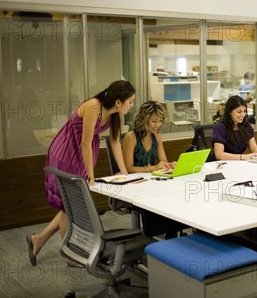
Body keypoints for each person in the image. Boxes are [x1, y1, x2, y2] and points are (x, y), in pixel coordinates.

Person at [27, 80, 136, 267]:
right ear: (118, 101)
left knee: (68, 205)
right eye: (131, 101)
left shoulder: (115, 114)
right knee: (70, 204)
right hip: (67, 152)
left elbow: (115, 142)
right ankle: (72, 255)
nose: (132, 105)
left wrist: (125, 173)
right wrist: (91, 174)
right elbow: (85, 142)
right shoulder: (94, 106)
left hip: (81, 155)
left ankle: (39, 239)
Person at [122, 100, 185, 238]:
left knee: (174, 197)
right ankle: (153, 235)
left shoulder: (157, 137)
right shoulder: (130, 137)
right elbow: (129, 168)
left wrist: (170, 165)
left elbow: (163, 161)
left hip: (152, 182)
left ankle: (172, 235)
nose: (158, 125)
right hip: (136, 184)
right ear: (144, 119)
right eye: (154, 121)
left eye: (160, 121)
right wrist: (154, 167)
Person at [211, 95, 257, 161]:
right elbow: (219, 155)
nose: (242, 115)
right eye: (239, 112)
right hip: (222, 165)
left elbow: (254, 148)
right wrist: (243, 157)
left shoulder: (246, 126)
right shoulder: (220, 127)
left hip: (238, 164)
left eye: (244, 111)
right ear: (230, 111)